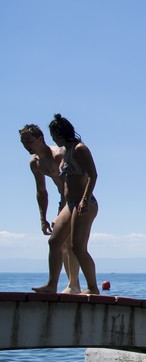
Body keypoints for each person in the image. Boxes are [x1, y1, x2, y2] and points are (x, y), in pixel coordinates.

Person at [33, 114, 100, 294]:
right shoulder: (67, 152)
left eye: (53, 135)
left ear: (60, 134)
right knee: (55, 242)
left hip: (84, 203)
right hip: (69, 205)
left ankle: (93, 288)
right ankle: (51, 285)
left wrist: (85, 199)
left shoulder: (80, 149)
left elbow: (93, 175)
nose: (52, 139)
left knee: (77, 247)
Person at [20, 124, 82, 294]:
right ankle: (71, 285)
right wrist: (43, 218)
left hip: (76, 198)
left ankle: (73, 285)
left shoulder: (59, 155)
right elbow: (41, 191)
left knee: (69, 242)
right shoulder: (35, 163)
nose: (26, 145)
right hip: (64, 200)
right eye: (23, 142)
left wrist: (64, 210)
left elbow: (70, 183)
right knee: (60, 243)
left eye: (29, 141)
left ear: (40, 139)